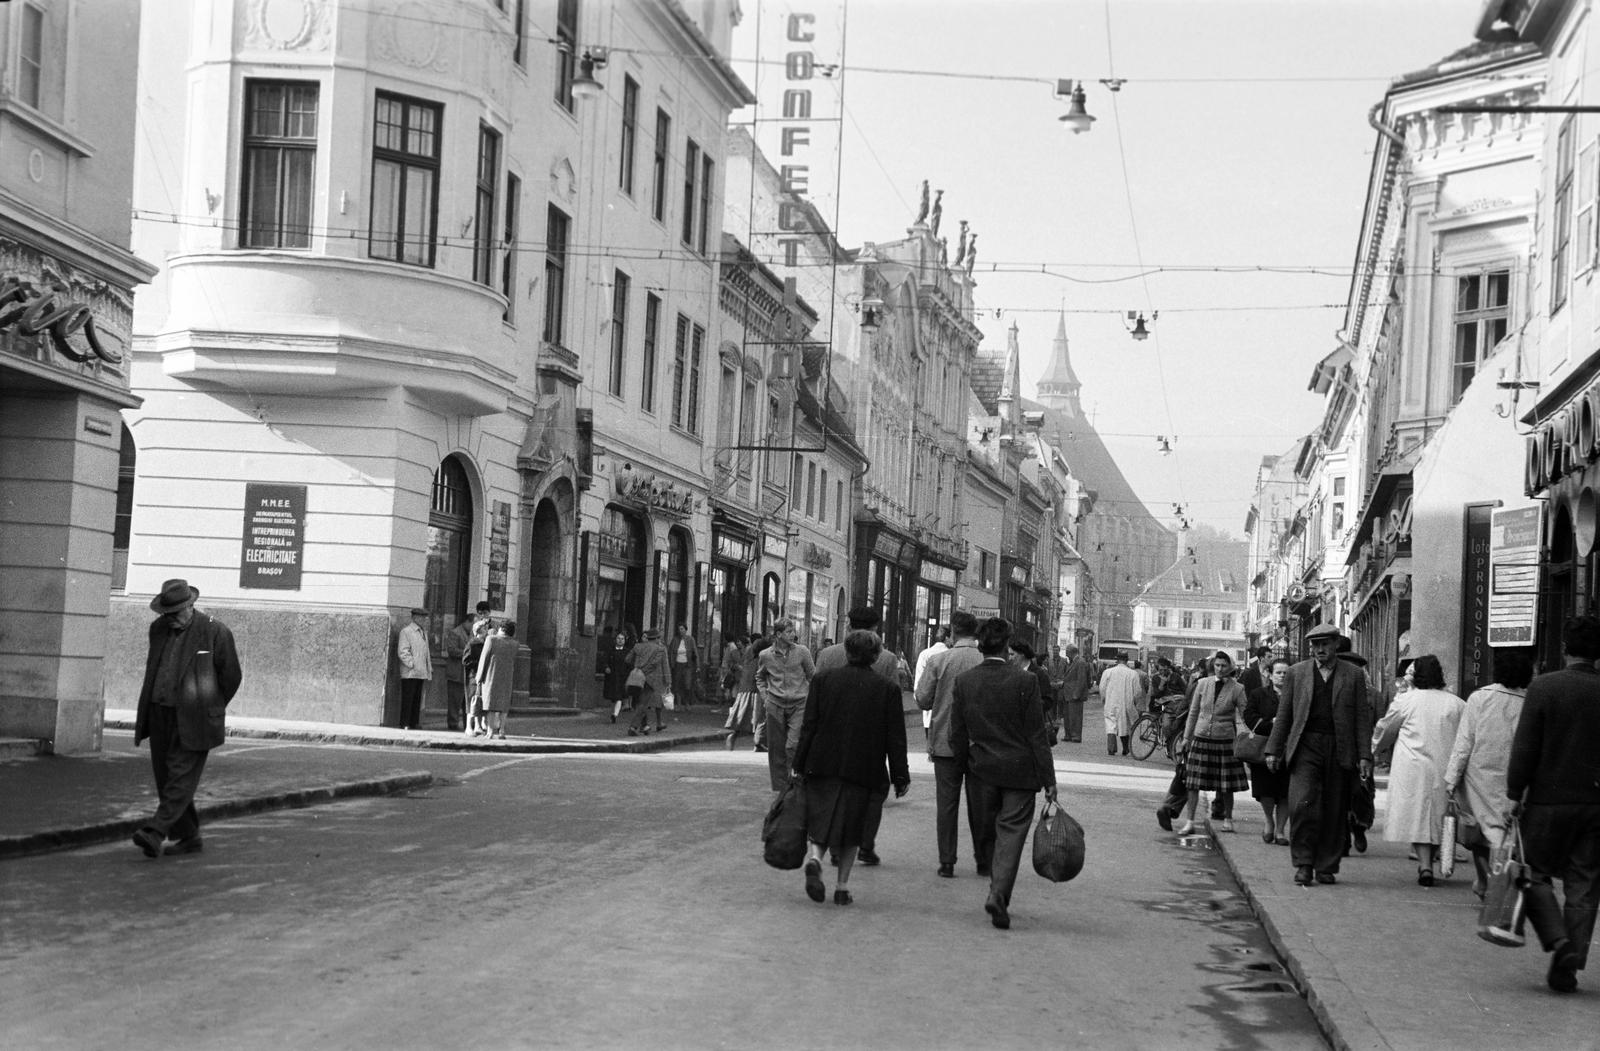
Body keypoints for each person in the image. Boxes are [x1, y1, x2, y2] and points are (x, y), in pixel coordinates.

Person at [1507, 615, 1600, 994]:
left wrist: (1515, 793)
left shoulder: (1544, 687)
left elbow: (1526, 746)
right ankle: (1571, 962)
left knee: (1533, 873)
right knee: (1585, 883)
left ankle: (1558, 941)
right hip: (1595, 804)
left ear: (1564, 648)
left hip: (1547, 802)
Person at [949, 617, 1059, 930]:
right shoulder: (1026, 682)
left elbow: (957, 733)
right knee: (1011, 835)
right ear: (1007, 645)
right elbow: (1037, 735)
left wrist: (958, 770)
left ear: (980, 645)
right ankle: (998, 893)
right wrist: (1049, 781)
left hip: (981, 770)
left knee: (987, 832)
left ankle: (995, 885)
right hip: (1021, 774)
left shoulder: (965, 682)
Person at [791, 630, 912, 906]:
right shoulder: (887, 689)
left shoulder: (823, 681)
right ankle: (842, 888)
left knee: (823, 818)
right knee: (852, 826)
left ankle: (814, 859)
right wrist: (900, 775)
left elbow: (809, 726)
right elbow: (895, 737)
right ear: (876, 655)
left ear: (847, 651)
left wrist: (799, 763)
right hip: (864, 768)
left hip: (822, 763)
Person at [131, 579, 244, 858]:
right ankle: (190, 837)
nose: (170, 619)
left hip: (196, 717)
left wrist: (209, 706)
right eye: (166, 614)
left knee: (180, 776)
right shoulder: (158, 629)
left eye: (176, 613)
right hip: (159, 712)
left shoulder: (215, 631)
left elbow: (231, 677)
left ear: (190, 606)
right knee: (167, 778)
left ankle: (155, 832)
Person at [1264, 623, 1375, 887]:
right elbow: (1285, 716)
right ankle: (1304, 863)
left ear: (1336, 644)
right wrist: (1273, 749)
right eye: (1315, 644)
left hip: (1340, 747)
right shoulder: (1297, 673)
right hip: (1305, 745)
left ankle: (1326, 866)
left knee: (1334, 809)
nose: (1320, 649)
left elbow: (1362, 718)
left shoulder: (1354, 675)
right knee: (1302, 803)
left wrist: (1364, 756)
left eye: (1325, 643)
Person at [815, 608, 902, 865]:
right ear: (875, 628)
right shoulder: (885, 658)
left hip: (831, 735)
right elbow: (893, 703)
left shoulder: (827, 654)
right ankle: (864, 843)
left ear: (849, 625)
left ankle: (834, 846)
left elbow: (815, 696)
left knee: (836, 790)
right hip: (869, 740)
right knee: (874, 791)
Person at [1443, 648, 1533, 898]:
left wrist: (1452, 778)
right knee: (1506, 832)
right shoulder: (1528, 702)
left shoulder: (1479, 698)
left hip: (1478, 776)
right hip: (1512, 777)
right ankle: (1499, 882)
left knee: (1479, 833)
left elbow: (1464, 743)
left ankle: (1484, 880)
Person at [1371, 654, 1463, 886]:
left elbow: (1386, 728)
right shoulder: (1456, 703)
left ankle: (1425, 866)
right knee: (1437, 816)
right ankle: (1429, 862)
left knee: (1420, 817)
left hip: (1413, 766)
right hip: (1444, 765)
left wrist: (1372, 749)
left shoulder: (1407, 700)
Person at [915, 610, 985, 878]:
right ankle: (982, 859)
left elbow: (922, 699)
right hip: (980, 744)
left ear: (953, 633)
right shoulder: (985, 661)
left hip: (945, 742)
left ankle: (947, 861)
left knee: (946, 803)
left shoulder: (939, 660)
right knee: (980, 803)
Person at [1174, 651, 1250, 834]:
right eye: (1217, 665)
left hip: (1224, 740)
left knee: (1226, 785)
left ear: (1230, 667)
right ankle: (1190, 821)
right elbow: (1193, 713)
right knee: (1192, 783)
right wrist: (1186, 738)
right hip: (1201, 738)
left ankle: (1228, 819)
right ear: (1213, 666)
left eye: (1224, 666)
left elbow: (1244, 714)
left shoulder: (1237, 688)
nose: (1220, 669)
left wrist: (1245, 736)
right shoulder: (1202, 684)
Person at [756, 618, 814, 789]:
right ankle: (781, 786)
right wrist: (765, 697)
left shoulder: (802, 652)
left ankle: (795, 779)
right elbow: (760, 677)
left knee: (792, 745)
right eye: (789, 632)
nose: (793, 634)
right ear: (779, 634)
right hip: (775, 704)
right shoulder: (765, 655)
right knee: (776, 747)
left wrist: (811, 697)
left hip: (799, 704)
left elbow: (812, 675)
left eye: (793, 631)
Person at [1243, 658, 1292, 844]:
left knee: (1285, 791)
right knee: (1266, 790)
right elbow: (1249, 716)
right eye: (1278, 672)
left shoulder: (1295, 695)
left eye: (1286, 673)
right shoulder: (1258, 694)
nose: (1282, 676)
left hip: (1288, 748)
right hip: (1263, 747)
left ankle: (1280, 830)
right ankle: (1269, 821)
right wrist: (1270, 723)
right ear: (1270, 675)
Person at [446, 602, 490, 731]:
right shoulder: (455, 632)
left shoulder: (474, 635)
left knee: (469, 700)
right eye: (473, 624)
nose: (474, 627)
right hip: (456, 673)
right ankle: (453, 724)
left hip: (468, 673)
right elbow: (452, 650)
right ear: (467, 622)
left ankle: (468, 724)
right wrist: (468, 651)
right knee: (454, 700)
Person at [476, 621, 518, 740]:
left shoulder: (491, 639)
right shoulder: (515, 644)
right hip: (507, 677)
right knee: (503, 705)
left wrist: (479, 677)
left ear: (501, 628)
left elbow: (484, 659)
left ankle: (490, 732)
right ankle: (502, 731)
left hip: (491, 676)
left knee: (491, 704)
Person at [727, 634, 769, 751]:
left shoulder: (748, 657)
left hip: (743, 690)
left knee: (742, 717)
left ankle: (734, 735)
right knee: (760, 717)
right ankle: (758, 742)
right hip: (755, 691)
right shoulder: (761, 660)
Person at [626, 627, 671, 736]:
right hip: (650, 680)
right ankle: (633, 727)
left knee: (639, 702)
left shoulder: (637, 647)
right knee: (643, 704)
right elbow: (655, 664)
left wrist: (637, 668)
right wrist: (668, 681)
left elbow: (627, 659)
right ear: (656, 638)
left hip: (636, 678)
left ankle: (644, 726)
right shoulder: (660, 649)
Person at [1097, 651, 1142, 756]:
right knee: (1125, 726)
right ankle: (1126, 748)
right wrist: (1134, 702)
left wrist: (1104, 699)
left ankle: (1111, 748)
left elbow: (1102, 688)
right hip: (1126, 703)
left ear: (1117, 660)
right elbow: (1138, 692)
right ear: (1127, 660)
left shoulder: (1108, 672)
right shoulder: (1133, 674)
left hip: (1111, 702)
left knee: (1110, 724)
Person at [397, 606, 431, 730]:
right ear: (415, 618)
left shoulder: (423, 632)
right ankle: (404, 722)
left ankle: (413, 722)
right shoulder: (406, 631)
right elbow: (403, 651)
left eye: (425, 617)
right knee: (408, 698)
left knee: (417, 699)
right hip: (410, 672)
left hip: (421, 671)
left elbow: (425, 651)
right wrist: (412, 664)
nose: (424, 620)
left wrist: (427, 668)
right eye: (422, 617)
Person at [914, 626, 950, 740]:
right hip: (947, 712)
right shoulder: (951, 654)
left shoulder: (925, 654)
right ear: (948, 638)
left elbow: (918, 684)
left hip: (928, 711)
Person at [463, 618, 493, 736]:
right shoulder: (472, 643)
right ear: (478, 631)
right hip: (473, 675)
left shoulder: (486, 643)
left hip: (482, 676)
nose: (486, 631)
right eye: (484, 629)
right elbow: (466, 661)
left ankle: (478, 726)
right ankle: (468, 727)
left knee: (479, 701)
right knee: (471, 700)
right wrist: (479, 663)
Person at [1059, 644, 1092, 744]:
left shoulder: (1080, 662)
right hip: (1068, 693)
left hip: (1074, 694)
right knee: (1068, 716)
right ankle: (1068, 734)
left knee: (1075, 716)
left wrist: (1076, 694)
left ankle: (1076, 735)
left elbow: (1081, 679)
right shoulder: (1072, 662)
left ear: (1071, 652)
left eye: (1067, 652)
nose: (1066, 654)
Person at [602, 627, 633, 724]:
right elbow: (604, 661)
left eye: (622, 639)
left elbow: (630, 665)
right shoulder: (610, 650)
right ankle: (613, 712)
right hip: (612, 677)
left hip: (622, 677)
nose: (620, 640)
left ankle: (614, 714)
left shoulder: (627, 652)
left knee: (619, 697)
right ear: (615, 640)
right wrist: (606, 667)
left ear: (625, 640)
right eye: (618, 638)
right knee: (613, 697)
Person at [669, 623, 699, 709]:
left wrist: (698, 665)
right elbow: (670, 652)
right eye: (679, 629)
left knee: (687, 684)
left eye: (682, 629)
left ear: (686, 630)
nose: (680, 631)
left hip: (687, 665)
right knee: (677, 684)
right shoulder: (675, 640)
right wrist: (671, 663)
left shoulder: (690, 639)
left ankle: (686, 702)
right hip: (678, 664)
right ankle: (678, 704)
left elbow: (695, 651)